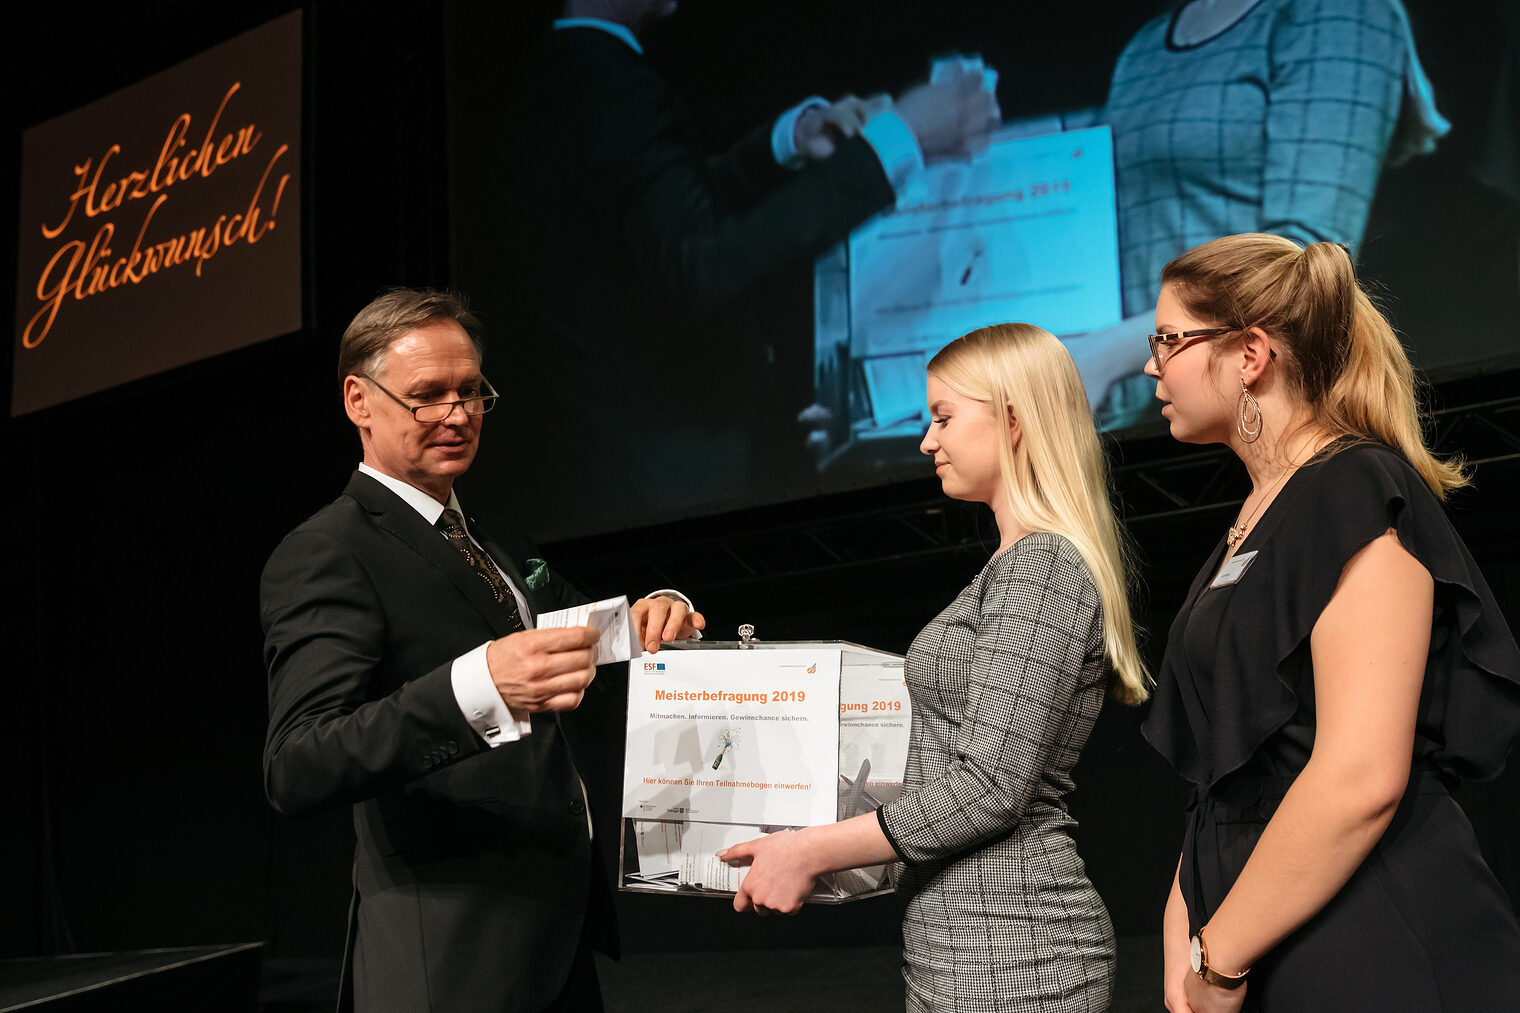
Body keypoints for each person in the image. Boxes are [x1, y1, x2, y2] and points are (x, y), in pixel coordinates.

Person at [260, 288, 704, 1013]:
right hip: (453, 954)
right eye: (426, 395)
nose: (458, 414)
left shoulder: (497, 540)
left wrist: (656, 612)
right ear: (358, 401)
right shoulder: (327, 551)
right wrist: (477, 687)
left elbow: (575, 638)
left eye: (471, 391)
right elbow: (299, 761)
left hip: (554, 938)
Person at [717, 323, 1150, 1012]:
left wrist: (808, 851)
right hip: (966, 940)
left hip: (1015, 947)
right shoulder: (1012, 567)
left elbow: (988, 787)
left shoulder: (1041, 566)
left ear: (1013, 419)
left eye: (944, 416)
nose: (926, 440)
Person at [1140, 233, 1520, 1012]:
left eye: (1169, 340)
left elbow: (1359, 777)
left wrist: (1218, 962)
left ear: (1250, 354)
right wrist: (1190, 927)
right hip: (1262, 932)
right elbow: (1232, 771)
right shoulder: (1252, 518)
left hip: (1368, 933)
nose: (1152, 365)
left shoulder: (1354, 486)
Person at [507, 0, 1002, 534]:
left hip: (635, 459)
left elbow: (661, 219)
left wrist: (784, 143)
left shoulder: (570, 66)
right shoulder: (605, 78)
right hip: (665, 469)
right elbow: (702, 262)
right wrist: (902, 138)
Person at [1064, 0, 1449, 430]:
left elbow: (1303, 258)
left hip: (1256, 397)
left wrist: (1108, 353)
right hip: (1135, 402)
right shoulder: (1149, 42)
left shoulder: (1337, 12)